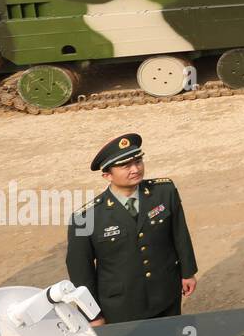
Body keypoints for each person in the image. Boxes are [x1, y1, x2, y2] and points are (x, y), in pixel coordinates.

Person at [66, 134, 197, 325]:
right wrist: (92, 315)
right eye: (126, 166)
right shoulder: (84, 218)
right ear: (107, 175)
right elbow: (81, 272)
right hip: (121, 307)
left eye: (138, 161)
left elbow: (179, 234)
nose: (135, 169)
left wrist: (188, 272)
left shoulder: (163, 192)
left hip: (166, 293)